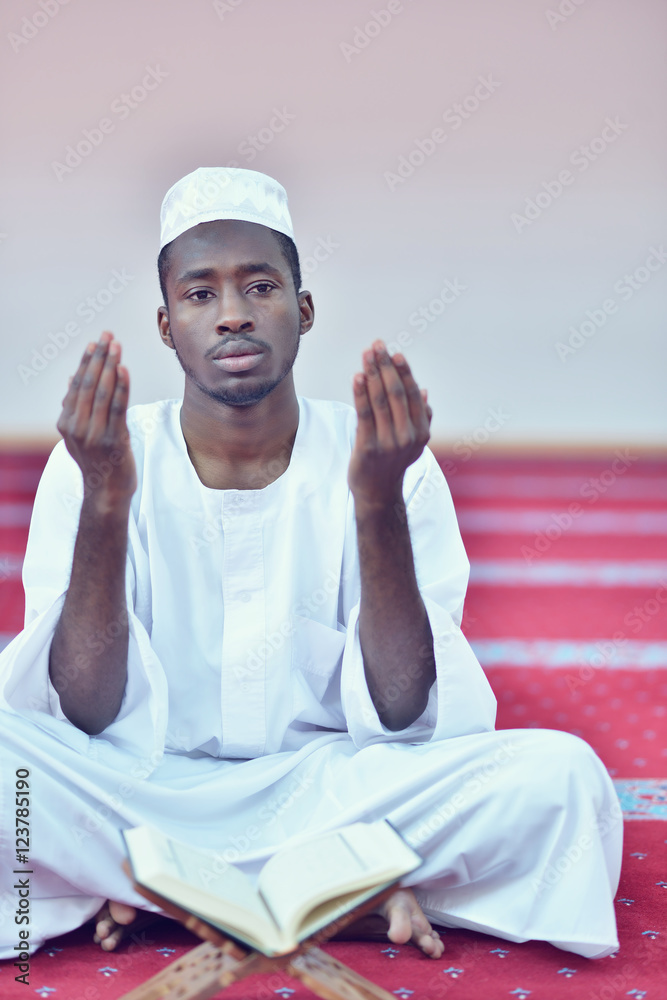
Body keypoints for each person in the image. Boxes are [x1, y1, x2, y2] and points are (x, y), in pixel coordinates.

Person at [0, 167, 622, 963]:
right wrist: (107, 506)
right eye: (199, 295)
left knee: (563, 780)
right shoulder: (103, 460)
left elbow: (401, 714)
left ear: (303, 310)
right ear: (164, 324)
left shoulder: (380, 461)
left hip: (334, 792)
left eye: (259, 287)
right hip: (141, 789)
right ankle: (345, 895)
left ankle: (149, 894)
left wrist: (376, 502)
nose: (232, 315)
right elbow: (83, 714)